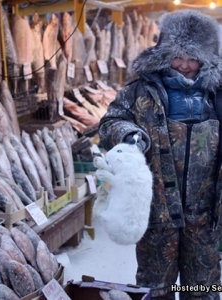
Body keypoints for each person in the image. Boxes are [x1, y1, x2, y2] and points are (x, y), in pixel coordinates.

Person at [98, 9, 222, 300]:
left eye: (194, 58)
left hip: (206, 215)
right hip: (157, 211)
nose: (185, 66)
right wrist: (128, 134)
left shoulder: (218, 93)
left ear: (207, 58)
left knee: (202, 290)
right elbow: (109, 123)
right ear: (164, 52)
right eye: (178, 56)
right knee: (155, 290)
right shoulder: (141, 90)